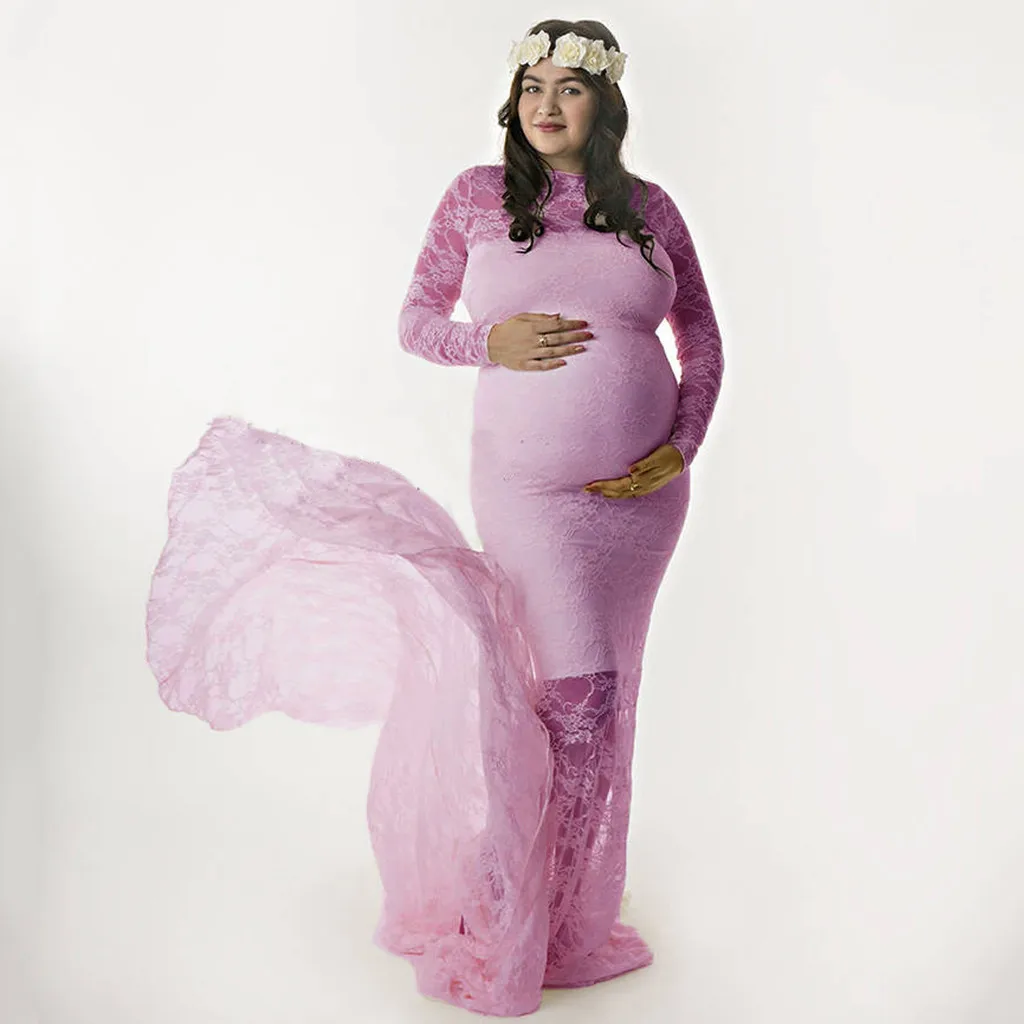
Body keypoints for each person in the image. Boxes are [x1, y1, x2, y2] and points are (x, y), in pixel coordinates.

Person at [145, 18, 724, 1018]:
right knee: (570, 699)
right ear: (513, 99)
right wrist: (487, 343)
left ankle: (571, 915)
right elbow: (416, 320)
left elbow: (701, 333)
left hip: (641, 506)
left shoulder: (649, 209)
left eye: (570, 88)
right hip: (531, 494)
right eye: (532, 86)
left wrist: (683, 442)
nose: (547, 104)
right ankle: (513, 912)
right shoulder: (478, 196)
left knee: (606, 704)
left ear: (605, 103)